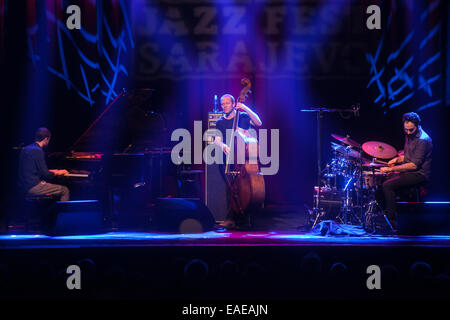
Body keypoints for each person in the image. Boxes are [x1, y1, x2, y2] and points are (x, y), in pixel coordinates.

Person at [214, 94, 262, 228]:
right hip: (226, 159)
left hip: (242, 159)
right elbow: (217, 139)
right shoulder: (220, 122)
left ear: (234, 104)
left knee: (244, 188)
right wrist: (223, 146)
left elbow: (259, 122)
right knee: (230, 189)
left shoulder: (243, 116)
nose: (224, 106)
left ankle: (245, 217)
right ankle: (231, 218)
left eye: (227, 103)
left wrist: (245, 107)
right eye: (222, 104)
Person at [379, 112, 432, 229]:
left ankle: (391, 221)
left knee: (388, 185)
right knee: (385, 179)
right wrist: (396, 159)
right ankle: (387, 214)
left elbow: (414, 165)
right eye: (406, 129)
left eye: (411, 130)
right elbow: (408, 157)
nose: (408, 132)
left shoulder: (423, 140)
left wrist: (390, 168)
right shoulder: (409, 135)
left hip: (419, 174)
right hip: (411, 171)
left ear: (418, 126)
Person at [18, 127, 70, 201]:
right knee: (64, 190)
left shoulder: (26, 148)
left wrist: (53, 171)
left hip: (23, 186)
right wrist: (59, 172)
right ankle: (60, 212)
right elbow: (46, 175)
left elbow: (34, 170)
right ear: (46, 139)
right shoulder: (38, 151)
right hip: (33, 187)